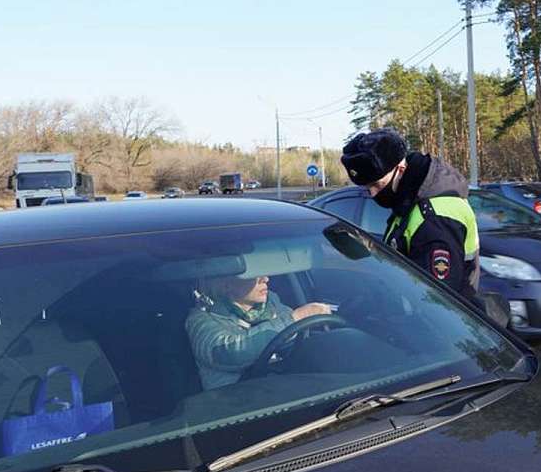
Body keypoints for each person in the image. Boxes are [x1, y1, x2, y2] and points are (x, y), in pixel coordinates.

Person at [340, 128, 479, 300]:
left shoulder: (434, 218)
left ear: (400, 169)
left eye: (376, 184)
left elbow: (434, 300)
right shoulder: (408, 201)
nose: (373, 194)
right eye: (367, 188)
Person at [186, 274, 331, 390]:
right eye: (254, 274)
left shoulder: (271, 304)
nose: (265, 278)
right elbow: (229, 353)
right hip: (237, 409)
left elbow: (296, 340)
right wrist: (295, 318)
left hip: (280, 391)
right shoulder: (200, 320)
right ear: (226, 284)